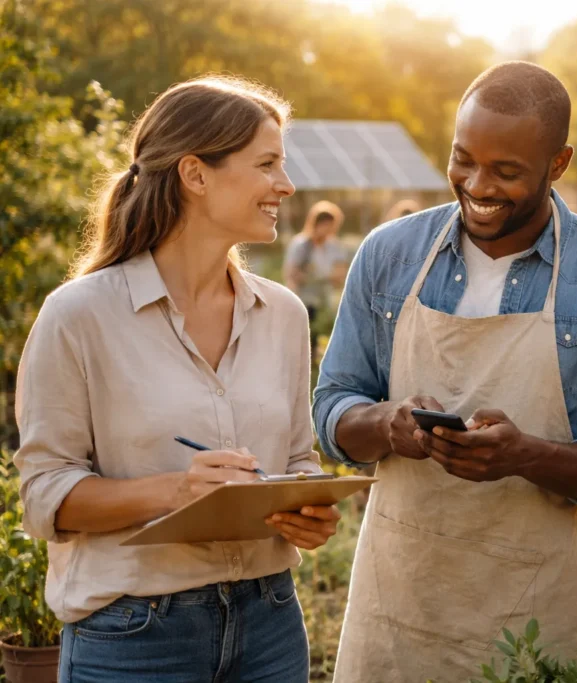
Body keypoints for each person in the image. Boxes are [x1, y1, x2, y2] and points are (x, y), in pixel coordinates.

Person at [313, 61, 577, 682]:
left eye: (506, 171)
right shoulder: (388, 255)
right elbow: (331, 409)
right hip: (397, 601)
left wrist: (526, 456)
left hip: (535, 610)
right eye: (463, 159)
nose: (477, 185)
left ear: (559, 163)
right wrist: (385, 423)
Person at [14, 76, 341, 683]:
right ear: (195, 174)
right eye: (266, 164)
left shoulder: (284, 315)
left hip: (270, 624)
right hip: (133, 638)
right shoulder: (79, 315)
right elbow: (43, 496)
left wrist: (305, 507)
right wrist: (176, 492)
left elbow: (298, 458)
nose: (286, 184)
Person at [283, 200, 350, 326]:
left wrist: (314, 277)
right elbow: (292, 274)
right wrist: (323, 277)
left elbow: (340, 275)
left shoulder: (335, 247)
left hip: (326, 299)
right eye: (326, 225)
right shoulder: (301, 245)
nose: (329, 229)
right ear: (316, 223)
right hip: (304, 298)